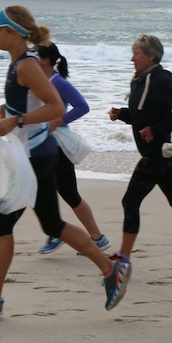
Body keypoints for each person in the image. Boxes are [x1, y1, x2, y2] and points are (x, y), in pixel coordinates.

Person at [0, 6, 130, 316]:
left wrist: (15, 121)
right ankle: (108, 268)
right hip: (35, 154)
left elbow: (56, 106)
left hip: (36, 155)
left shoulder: (27, 66)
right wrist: (1, 111)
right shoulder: (18, 64)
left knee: (4, 221)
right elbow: (26, 103)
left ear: (13, 32)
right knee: (51, 223)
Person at [108, 34, 172, 264]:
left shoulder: (160, 80)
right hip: (158, 154)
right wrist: (122, 115)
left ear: (151, 56)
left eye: (136, 54)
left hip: (156, 154)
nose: (132, 58)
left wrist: (155, 130)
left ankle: (123, 257)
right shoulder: (139, 79)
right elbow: (142, 114)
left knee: (130, 202)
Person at [35, 41, 111, 256]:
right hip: (44, 143)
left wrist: (57, 121)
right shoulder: (40, 81)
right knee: (66, 193)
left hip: (57, 145)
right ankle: (94, 237)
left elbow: (82, 106)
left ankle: (61, 232)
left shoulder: (57, 82)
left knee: (60, 192)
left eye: (35, 55)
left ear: (46, 60)